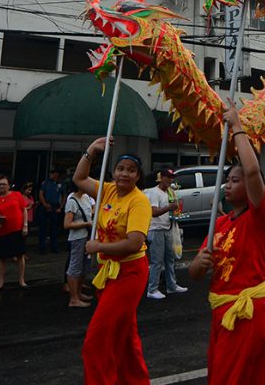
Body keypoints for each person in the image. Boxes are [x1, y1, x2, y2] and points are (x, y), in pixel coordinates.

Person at [189, 101, 265, 385]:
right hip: (221, 313)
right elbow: (195, 273)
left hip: (248, 312)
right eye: (227, 180)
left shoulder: (259, 218)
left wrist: (237, 128)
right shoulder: (220, 223)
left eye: (235, 180)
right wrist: (198, 264)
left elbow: (253, 172)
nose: (229, 184)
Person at [73, 141, 152, 385]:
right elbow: (79, 178)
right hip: (109, 272)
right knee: (126, 338)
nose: (124, 174)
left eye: (130, 170)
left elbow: (134, 243)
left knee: (96, 341)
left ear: (138, 176)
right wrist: (91, 150)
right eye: (120, 168)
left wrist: (99, 247)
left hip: (130, 273)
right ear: (113, 171)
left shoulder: (139, 201)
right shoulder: (107, 190)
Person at [144, 169, 185, 299]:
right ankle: (152, 289)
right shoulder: (153, 192)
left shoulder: (169, 192)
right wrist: (170, 207)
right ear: (160, 177)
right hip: (156, 229)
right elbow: (153, 212)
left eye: (172, 177)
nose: (170, 180)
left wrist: (175, 211)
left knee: (170, 258)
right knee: (157, 261)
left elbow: (173, 208)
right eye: (168, 177)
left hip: (167, 227)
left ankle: (171, 286)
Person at [0, 175, 28, 290]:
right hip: (3, 231)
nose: (1, 186)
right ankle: (1, 281)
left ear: (9, 185)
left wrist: (25, 225)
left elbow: (24, 210)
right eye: (0, 184)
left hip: (17, 229)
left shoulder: (16, 195)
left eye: (3, 184)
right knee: (2, 257)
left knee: (20, 255)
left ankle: (21, 280)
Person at [64, 182, 95, 307]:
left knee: (84, 266)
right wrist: (86, 224)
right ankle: (74, 298)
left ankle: (79, 293)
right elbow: (67, 224)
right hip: (78, 238)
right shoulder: (72, 201)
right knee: (75, 266)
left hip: (87, 237)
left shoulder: (86, 197)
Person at [38, 168, 66, 254]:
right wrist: (45, 204)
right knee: (42, 228)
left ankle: (54, 247)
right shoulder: (46, 182)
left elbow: (64, 195)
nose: (52, 175)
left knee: (53, 229)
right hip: (45, 205)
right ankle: (42, 248)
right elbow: (41, 193)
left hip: (55, 207)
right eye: (51, 173)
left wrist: (60, 207)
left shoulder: (60, 184)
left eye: (54, 173)